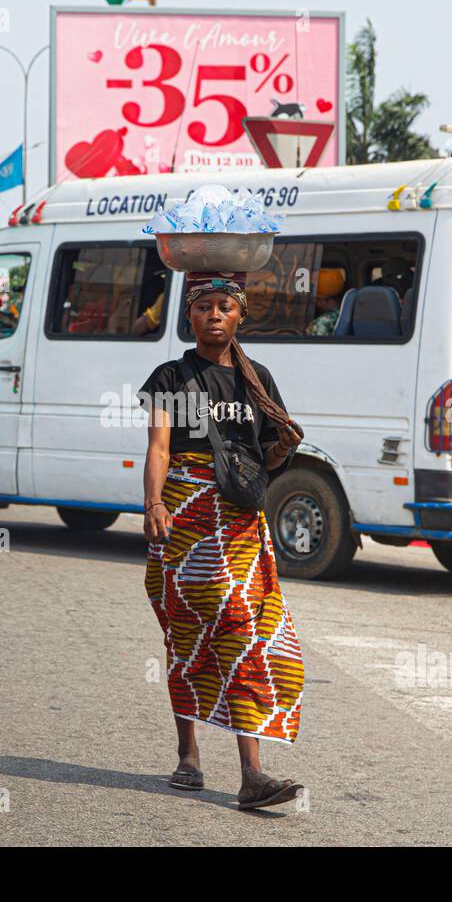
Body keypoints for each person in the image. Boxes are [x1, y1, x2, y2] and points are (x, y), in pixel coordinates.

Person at [139, 270, 306, 811]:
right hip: (183, 520)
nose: (214, 314)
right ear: (189, 316)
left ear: (241, 316)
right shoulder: (169, 376)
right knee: (187, 638)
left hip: (238, 522)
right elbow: (160, 448)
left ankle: (251, 772)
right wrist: (154, 503)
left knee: (241, 631)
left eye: (224, 307)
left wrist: (283, 446)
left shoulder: (258, 379)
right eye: (204, 306)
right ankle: (188, 755)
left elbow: (266, 458)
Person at [305, 266, 347, 336]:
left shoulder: (323, 323)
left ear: (324, 300)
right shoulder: (344, 315)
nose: (316, 304)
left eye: (317, 299)